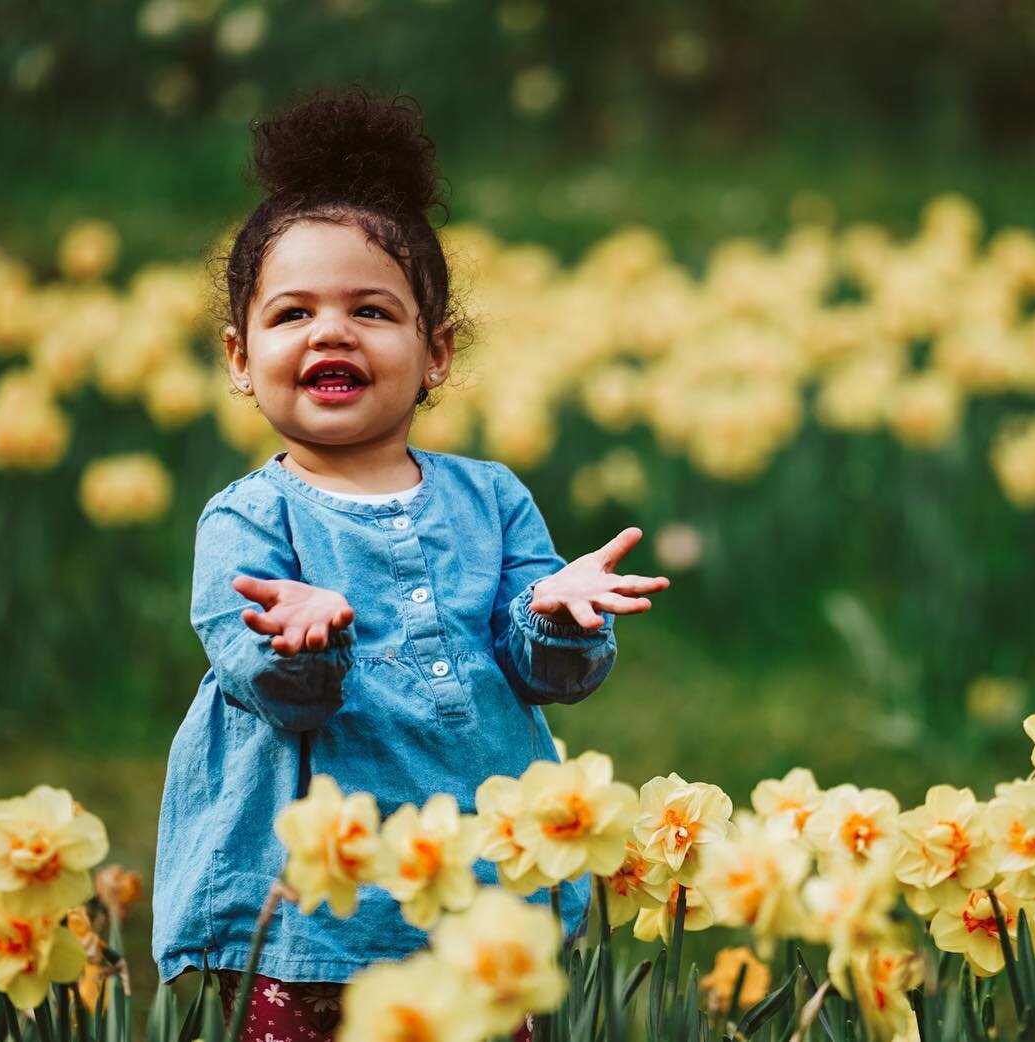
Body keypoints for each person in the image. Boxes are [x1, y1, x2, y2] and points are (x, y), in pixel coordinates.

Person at [150, 86, 669, 1042]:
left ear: (435, 353)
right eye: (292, 312)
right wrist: (297, 642)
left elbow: (546, 675)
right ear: (238, 354)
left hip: (475, 896)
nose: (330, 333)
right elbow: (273, 686)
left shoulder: (492, 497)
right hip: (312, 916)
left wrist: (557, 614)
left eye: (370, 311)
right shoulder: (247, 520)